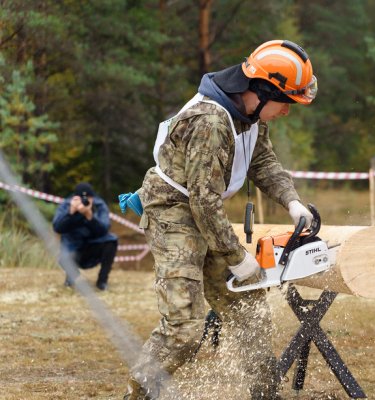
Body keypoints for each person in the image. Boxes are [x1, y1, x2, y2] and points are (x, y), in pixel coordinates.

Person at [124, 40, 317, 399]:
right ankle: (139, 392)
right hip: (173, 214)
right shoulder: (210, 120)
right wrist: (236, 257)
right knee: (184, 329)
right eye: (286, 102)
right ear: (262, 90)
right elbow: (202, 200)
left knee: (249, 309)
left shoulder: (251, 116)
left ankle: (264, 394)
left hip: (205, 212)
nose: (287, 111)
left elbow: (262, 163)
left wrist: (293, 202)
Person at [52, 182, 118, 291]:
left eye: (88, 198)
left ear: (93, 198)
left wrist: (90, 216)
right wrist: (71, 213)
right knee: (64, 257)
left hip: (93, 247)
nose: (85, 201)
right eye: (81, 198)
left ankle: (102, 281)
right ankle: (71, 277)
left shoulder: (99, 205)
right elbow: (57, 228)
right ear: (74, 198)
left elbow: (104, 230)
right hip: (72, 248)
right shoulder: (67, 205)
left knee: (111, 242)